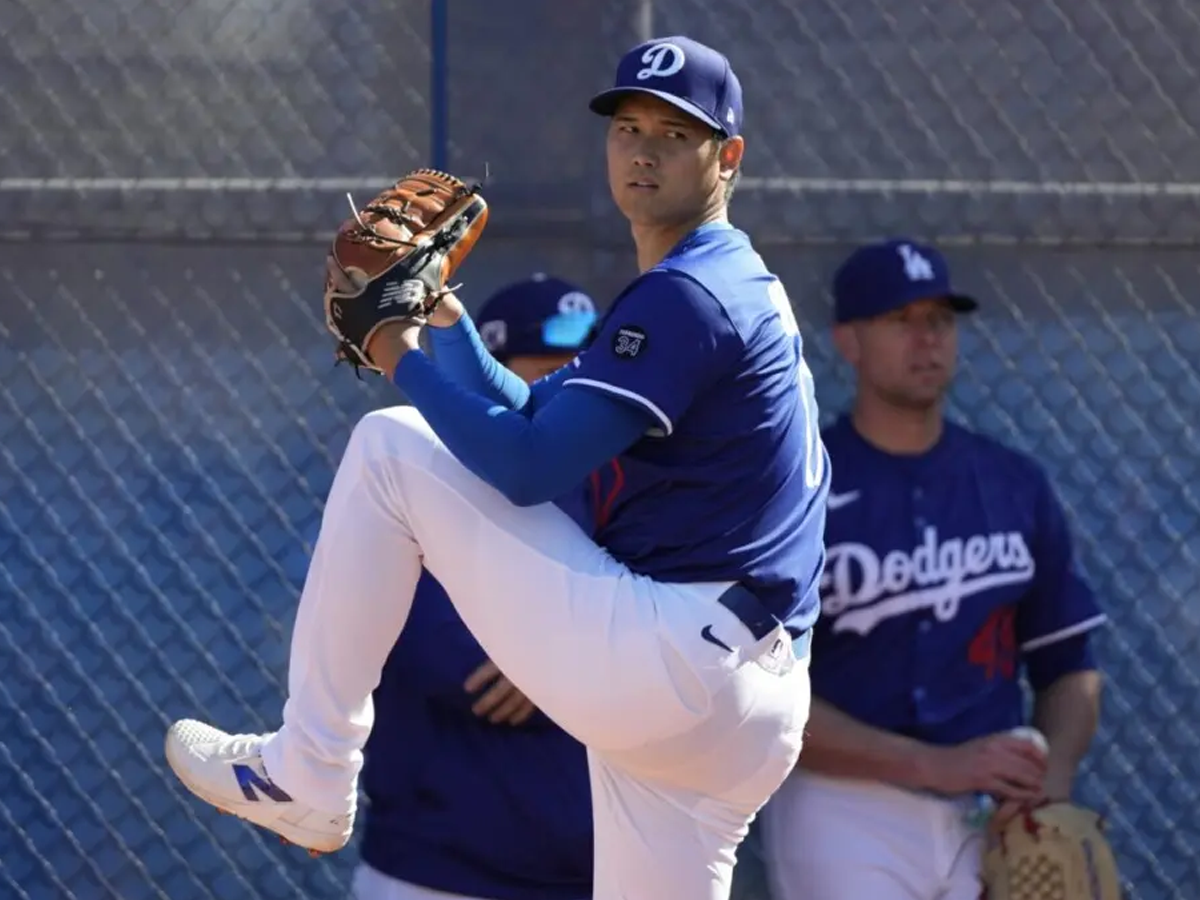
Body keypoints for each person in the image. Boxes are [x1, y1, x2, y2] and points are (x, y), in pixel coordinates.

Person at [165, 34, 830, 900]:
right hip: (745, 700)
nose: (642, 150)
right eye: (628, 126)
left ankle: (311, 768)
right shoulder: (724, 282)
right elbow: (534, 415)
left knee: (390, 447)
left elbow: (525, 468)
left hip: (681, 659)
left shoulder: (689, 295)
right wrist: (442, 321)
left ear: (727, 156)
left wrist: (392, 350)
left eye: (674, 133)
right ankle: (311, 769)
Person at [761, 238, 1106, 900]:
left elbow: (1071, 667)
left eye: (941, 320)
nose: (927, 340)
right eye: (901, 320)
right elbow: (760, 691)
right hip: (845, 808)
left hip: (996, 811)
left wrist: (1053, 776)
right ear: (849, 342)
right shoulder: (798, 491)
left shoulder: (1013, 484)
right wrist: (936, 764)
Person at [352, 275, 598, 900]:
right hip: (439, 872)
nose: (573, 383)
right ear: (487, 374)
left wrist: (554, 660)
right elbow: (462, 666)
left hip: (597, 874)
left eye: (583, 365)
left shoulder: (626, 489)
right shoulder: (424, 483)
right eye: (548, 368)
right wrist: (601, 652)